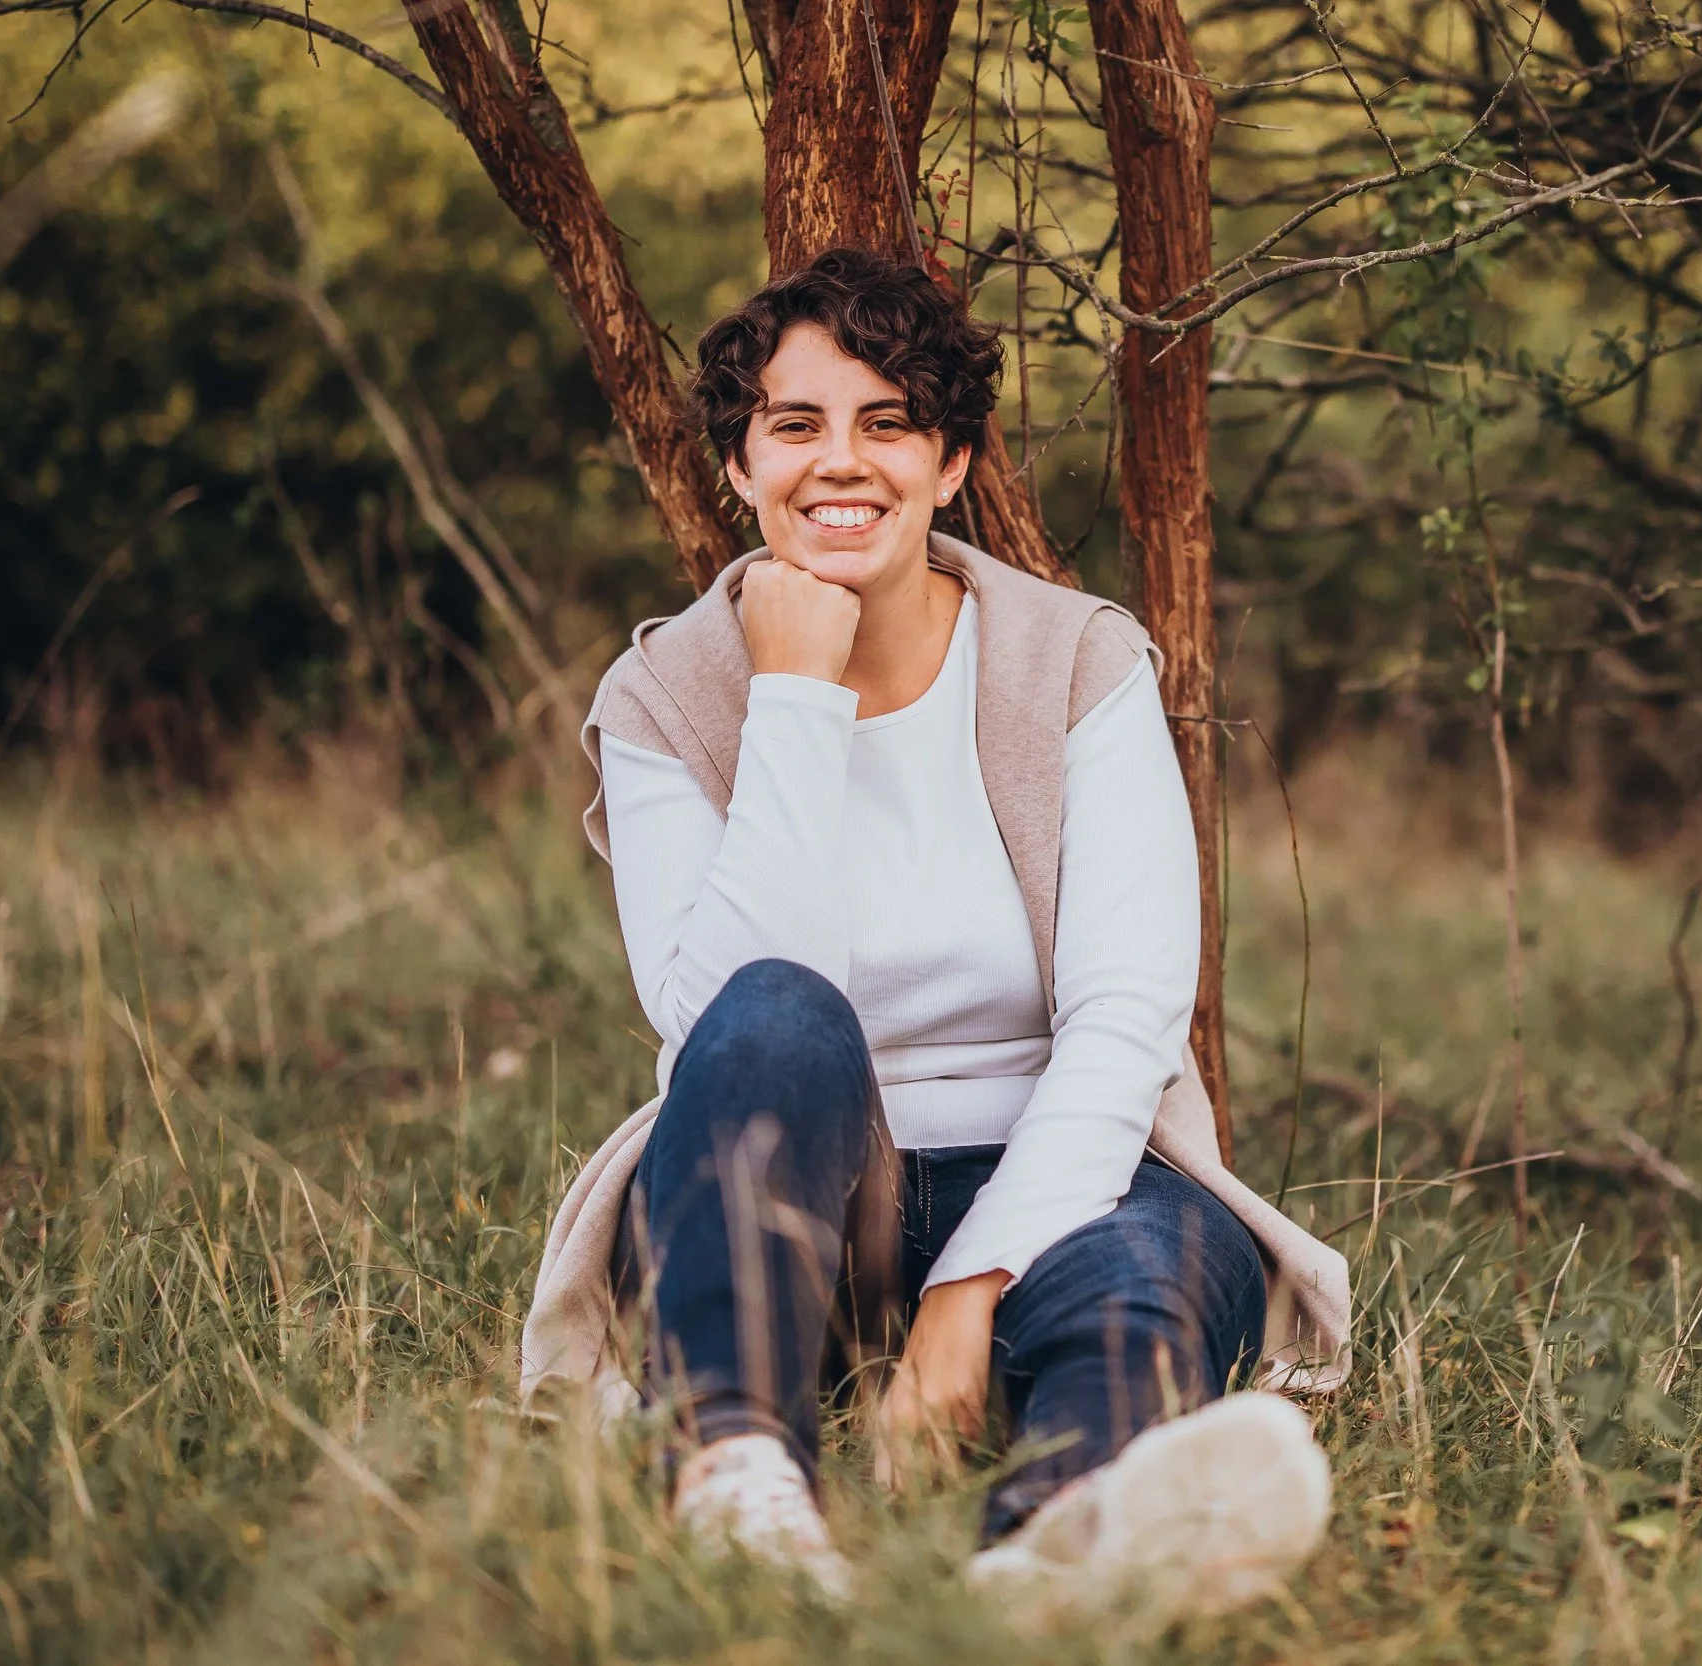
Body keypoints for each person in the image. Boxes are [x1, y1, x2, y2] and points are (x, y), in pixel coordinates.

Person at [513, 247, 1351, 1618]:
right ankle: (740, 1481)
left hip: (1061, 1175)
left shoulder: (1075, 661)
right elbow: (712, 1018)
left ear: (952, 461)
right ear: (742, 465)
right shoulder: (669, 692)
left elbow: (1129, 1017)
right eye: (796, 426)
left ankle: (1062, 1537)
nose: (841, 464)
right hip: (784, 1192)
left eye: (886, 422)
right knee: (777, 1011)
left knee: (1155, 1259)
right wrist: (794, 695)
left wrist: (969, 1291)